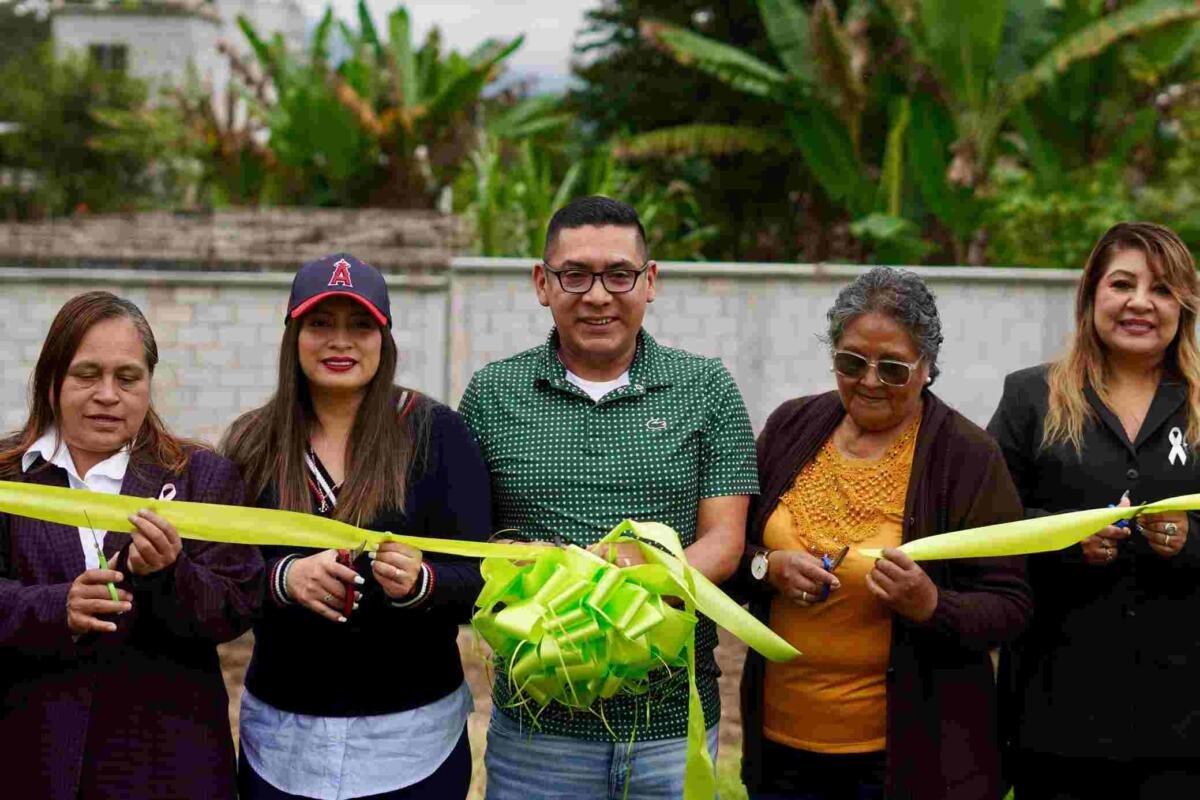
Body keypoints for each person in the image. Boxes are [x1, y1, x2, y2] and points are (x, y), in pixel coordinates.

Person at [459, 196, 759, 799]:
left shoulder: (706, 388)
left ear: (650, 282)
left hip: (671, 728)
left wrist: (622, 575)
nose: (598, 295)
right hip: (539, 734)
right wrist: (539, 563)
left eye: (619, 274)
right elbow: (468, 543)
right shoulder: (493, 394)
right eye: (576, 274)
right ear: (543, 284)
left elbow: (724, 543)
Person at [737, 267, 1032, 800]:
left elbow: (1011, 604)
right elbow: (733, 553)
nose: (870, 380)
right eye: (852, 362)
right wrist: (768, 568)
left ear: (927, 368)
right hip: (782, 752)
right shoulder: (790, 428)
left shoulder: (967, 457)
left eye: (893, 368)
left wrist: (930, 604)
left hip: (907, 763)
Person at [222, 253, 491, 800]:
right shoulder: (251, 443)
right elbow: (222, 581)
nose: (339, 341)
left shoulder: (438, 434)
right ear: (293, 335)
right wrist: (283, 579)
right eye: (320, 323)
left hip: (413, 737)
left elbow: (485, 580)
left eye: (360, 325)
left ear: (384, 339)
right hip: (281, 738)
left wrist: (424, 583)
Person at [0, 290, 263, 800]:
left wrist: (171, 573)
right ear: (52, 381)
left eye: (127, 378)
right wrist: (57, 607)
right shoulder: (8, 479)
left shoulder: (199, 477)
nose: (107, 394)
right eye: (86, 374)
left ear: (148, 384)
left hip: (166, 766)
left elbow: (236, 607)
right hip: (33, 761)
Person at [987, 222, 1200, 799]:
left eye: (1161, 289)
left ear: (1184, 304)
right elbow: (982, 527)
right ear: (1091, 297)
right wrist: (1067, 541)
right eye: (1122, 284)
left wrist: (1190, 540)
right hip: (1055, 720)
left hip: (1183, 732)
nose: (1140, 303)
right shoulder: (1031, 397)